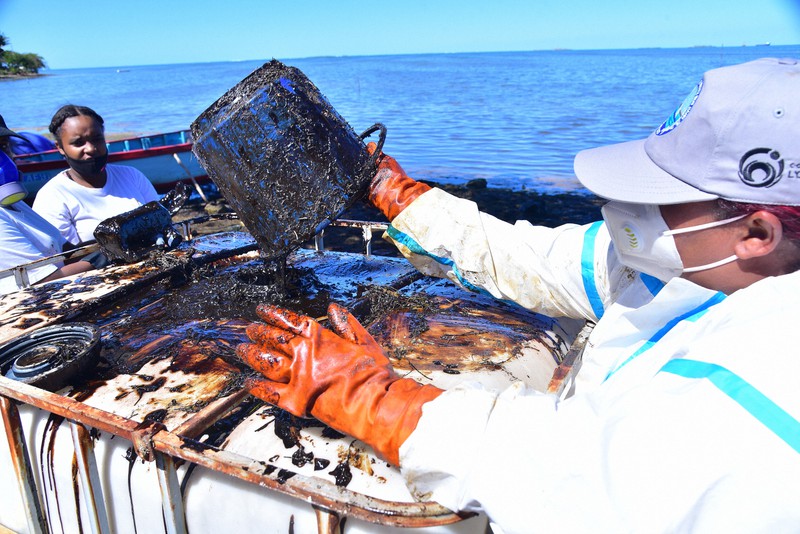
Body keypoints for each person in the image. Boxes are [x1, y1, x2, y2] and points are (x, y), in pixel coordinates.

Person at [236, 57, 800, 532]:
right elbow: (532, 260)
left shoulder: (769, 383)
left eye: (662, 197)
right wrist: (398, 195)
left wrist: (379, 401)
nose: (629, 208)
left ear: (757, 233)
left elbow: (582, 481)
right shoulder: (684, 256)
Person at [32, 105, 159, 245]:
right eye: (78, 143)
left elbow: (162, 222)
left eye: (97, 139)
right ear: (60, 147)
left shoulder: (132, 176)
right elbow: (68, 257)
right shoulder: (52, 197)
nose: (91, 149)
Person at [0, 119, 96, 296]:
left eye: (4, 146)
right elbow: (42, 282)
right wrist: (98, 260)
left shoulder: (13, 203)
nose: (4, 160)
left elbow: (65, 250)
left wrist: (107, 242)